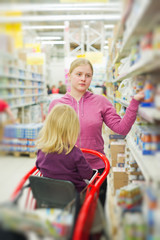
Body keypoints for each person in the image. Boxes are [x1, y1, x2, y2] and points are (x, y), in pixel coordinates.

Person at [48, 58, 145, 207]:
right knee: (68, 218)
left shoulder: (101, 101)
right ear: (69, 76)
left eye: (88, 75)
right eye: (79, 74)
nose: (83, 79)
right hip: (66, 169)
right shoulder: (57, 104)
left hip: (96, 169)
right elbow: (50, 139)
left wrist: (134, 102)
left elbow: (121, 129)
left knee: (94, 215)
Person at [36, 104, 93, 193]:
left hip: (49, 194)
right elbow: (88, 174)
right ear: (72, 130)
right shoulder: (75, 153)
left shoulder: (42, 150)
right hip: (73, 197)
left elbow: (39, 167)